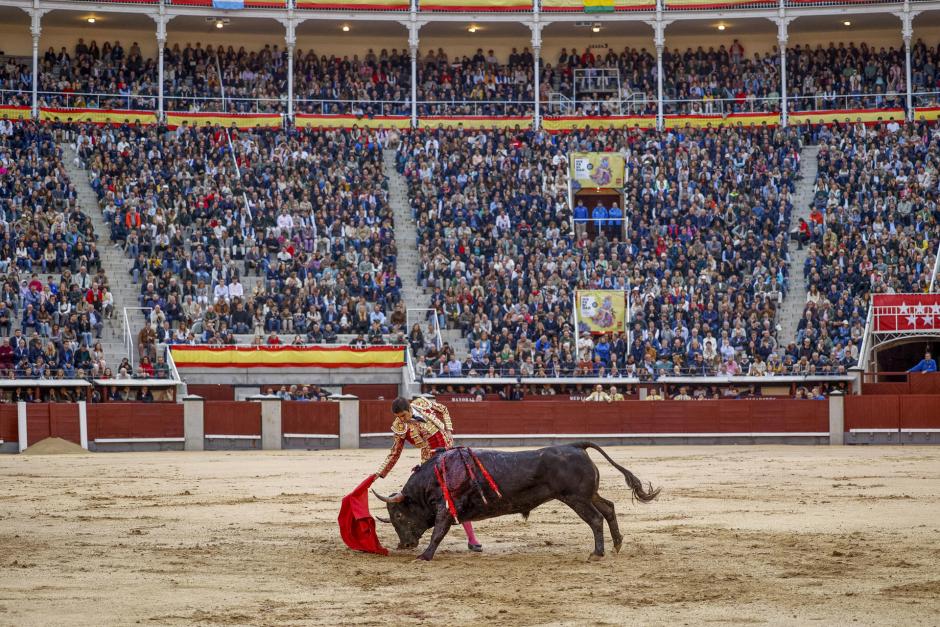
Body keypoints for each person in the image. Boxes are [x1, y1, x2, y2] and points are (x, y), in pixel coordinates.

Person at [375, 397, 483, 552]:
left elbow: (443, 409)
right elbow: (395, 452)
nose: (402, 419)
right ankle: (411, 531)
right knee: (441, 497)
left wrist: (449, 430)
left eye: (404, 415)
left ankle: (471, 538)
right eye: (398, 417)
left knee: (460, 493)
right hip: (431, 462)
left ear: (410, 408)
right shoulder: (399, 426)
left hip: (451, 454)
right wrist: (380, 472)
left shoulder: (421, 403)